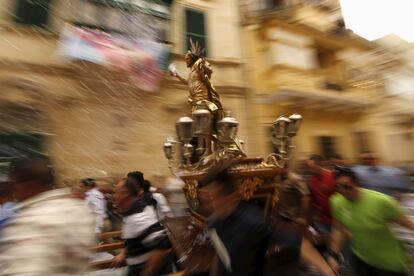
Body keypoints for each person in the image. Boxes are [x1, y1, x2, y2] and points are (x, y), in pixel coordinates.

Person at [0, 157, 95, 275]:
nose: (14, 190)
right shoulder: (76, 208)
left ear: (30, 184)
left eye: (15, 183)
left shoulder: (30, 222)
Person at [328, 166, 414, 276]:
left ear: (356, 184)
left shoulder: (382, 201)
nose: (342, 191)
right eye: (338, 187)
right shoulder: (336, 202)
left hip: (389, 263)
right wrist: (334, 255)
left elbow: (408, 224)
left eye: (346, 186)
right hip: (361, 260)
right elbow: (338, 229)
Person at [111, 177, 172, 276]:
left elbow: (162, 246)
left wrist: (147, 272)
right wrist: (124, 253)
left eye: (116, 192)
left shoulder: (139, 216)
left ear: (125, 194)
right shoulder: (131, 211)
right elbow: (136, 236)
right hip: (135, 268)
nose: (114, 196)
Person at [306, 154, 336, 237]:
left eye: (311, 167)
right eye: (308, 168)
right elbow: (315, 200)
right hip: (324, 220)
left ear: (320, 165)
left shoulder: (333, 176)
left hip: (338, 219)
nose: (309, 170)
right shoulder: (311, 181)